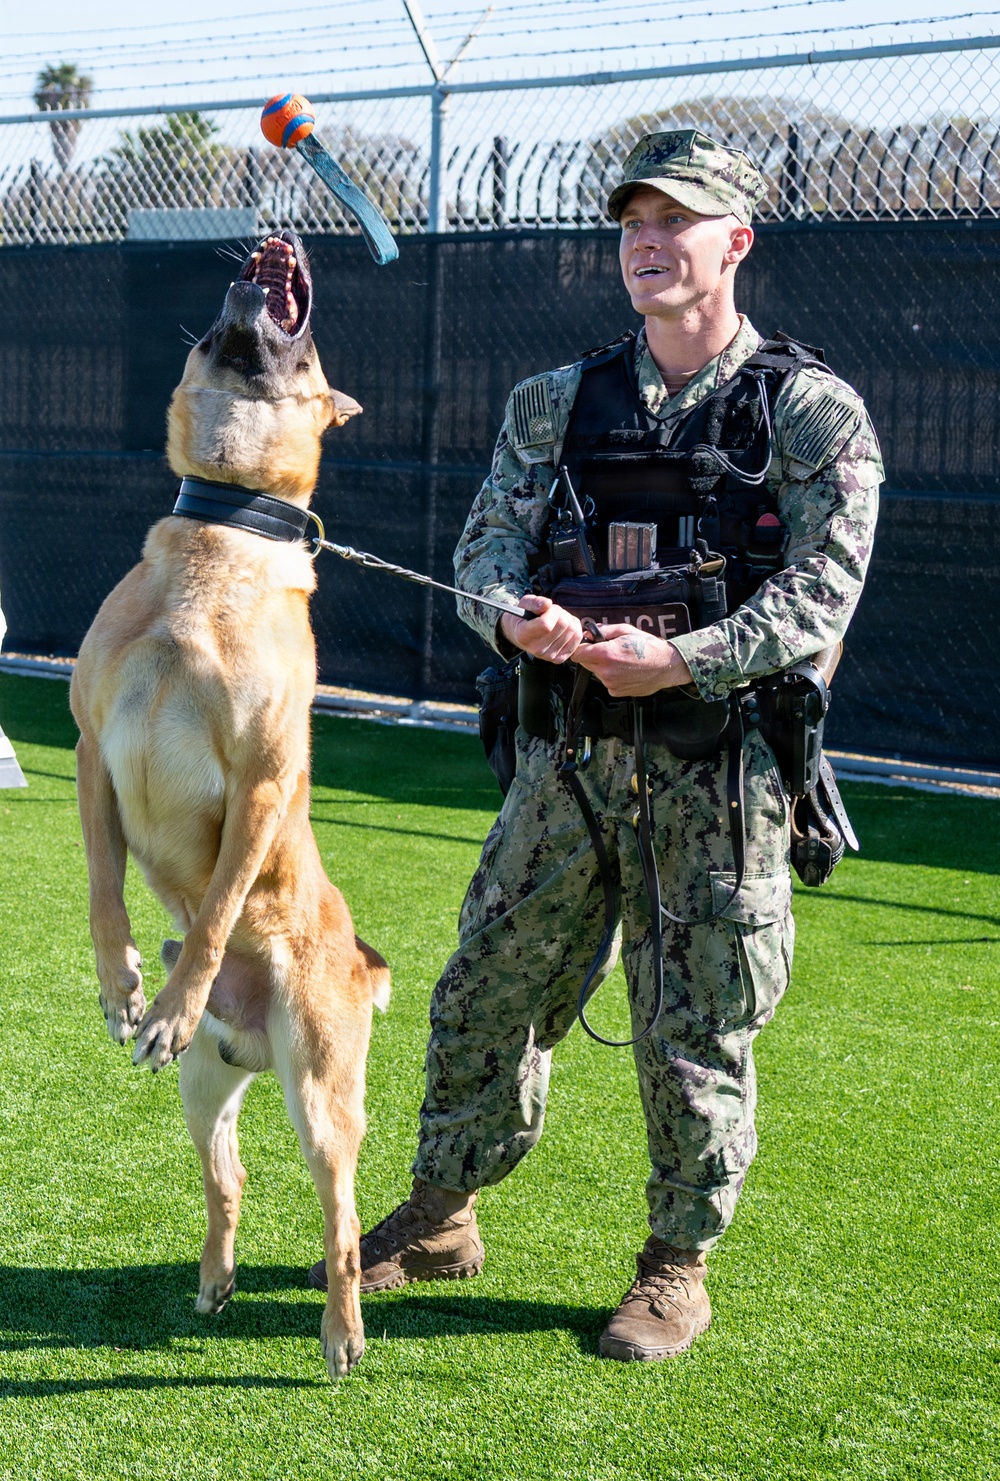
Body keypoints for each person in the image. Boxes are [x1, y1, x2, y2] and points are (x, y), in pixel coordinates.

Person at [309, 129, 882, 1360]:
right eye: (632, 221)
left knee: (695, 1020)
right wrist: (518, 619)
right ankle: (443, 1210)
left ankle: (676, 1264)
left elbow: (820, 596)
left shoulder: (809, 410)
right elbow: (480, 556)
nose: (647, 242)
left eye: (677, 220)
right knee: (481, 989)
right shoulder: (554, 401)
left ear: (735, 241)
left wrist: (683, 656)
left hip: (715, 772)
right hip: (563, 760)